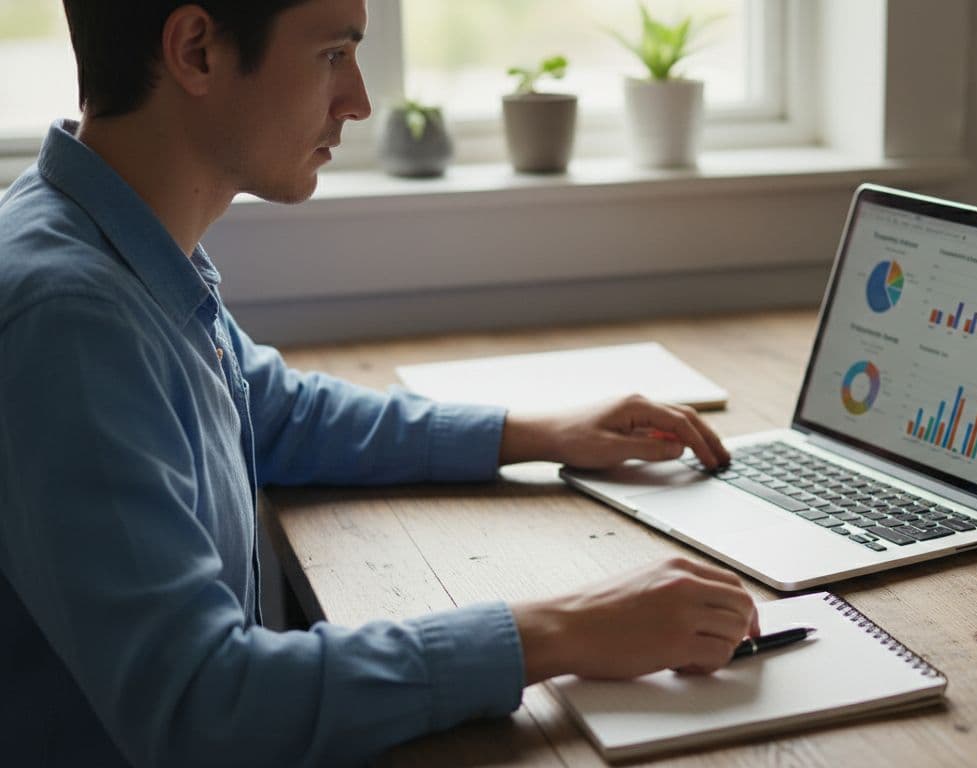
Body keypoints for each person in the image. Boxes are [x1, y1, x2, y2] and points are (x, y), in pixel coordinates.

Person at [0, 1, 759, 765]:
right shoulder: (71, 320)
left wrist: (535, 433)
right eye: (333, 53)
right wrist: (563, 629)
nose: (359, 100)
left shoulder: (110, 241)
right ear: (197, 50)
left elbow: (274, 412)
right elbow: (204, 704)